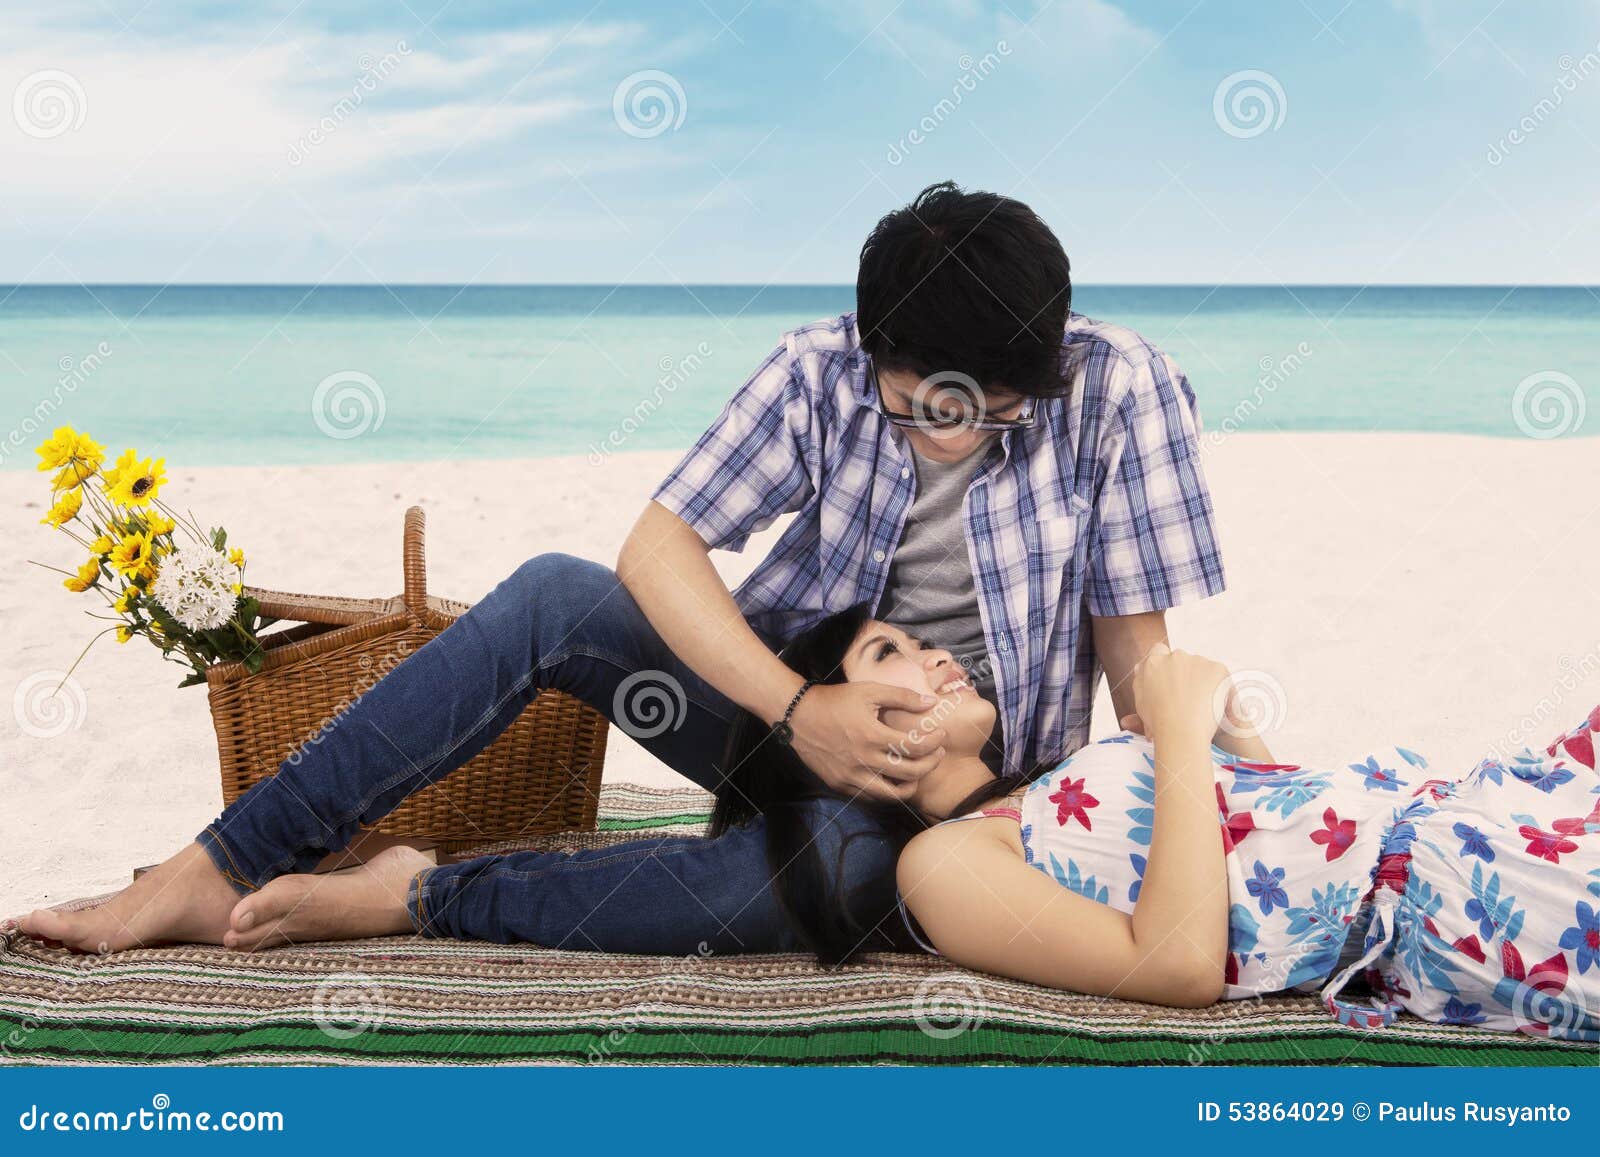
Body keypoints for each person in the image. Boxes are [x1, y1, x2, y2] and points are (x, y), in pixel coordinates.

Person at [18, 181, 1225, 958]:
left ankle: (420, 893)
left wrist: (1201, 786)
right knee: (555, 591)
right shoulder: (814, 373)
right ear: (872, 355)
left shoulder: (1122, 387)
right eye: (921, 409)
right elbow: (659, 545)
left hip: (966, 794)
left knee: (836, 887)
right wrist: (798, 710)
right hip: (775, 720)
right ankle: (213, 865)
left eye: (995, 416)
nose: (956, 434)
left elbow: (1136, 658)